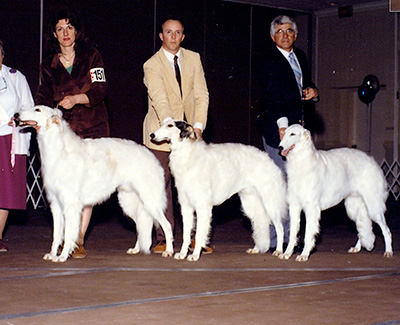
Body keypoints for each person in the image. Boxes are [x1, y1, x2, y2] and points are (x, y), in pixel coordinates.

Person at [35, 7, 109, 259]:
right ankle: (67, 238)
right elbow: (43, 98)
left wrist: (78, 98)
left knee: (86, 186)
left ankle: (77, 240)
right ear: (54, 35)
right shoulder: (48, 65)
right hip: (62, 137)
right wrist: (38, 118)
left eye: (69, 27)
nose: (65, 33)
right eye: (59, 29)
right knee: (64, 188)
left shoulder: (92, 56)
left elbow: (100, 89)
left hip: (92, 129)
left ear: (76, 31)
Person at [143, 17, 211, 254]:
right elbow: (159, 98)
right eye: (168, 32)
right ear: (161, 36)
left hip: (190, 136)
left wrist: (199, 126)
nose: (173, 37)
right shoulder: (151, 65)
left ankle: (196, 239)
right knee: (162, 186)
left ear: (183, 36)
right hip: (162, 133)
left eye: (178, 33)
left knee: (195, 186)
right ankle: (165, 237)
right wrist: (169, 129)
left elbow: (201, 94)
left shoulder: (194, 59)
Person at [257, 15, 319, 246]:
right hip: (279, 131)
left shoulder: (300, 56)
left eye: (289, 31)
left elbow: (304, 86)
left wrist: (314, 92)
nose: (285, 35)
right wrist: (283, 126)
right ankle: (275, 239)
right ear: (273, 36)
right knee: (279, 184)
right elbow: (272, 96)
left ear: (295, 34)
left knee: (299, 185)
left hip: (299, 132)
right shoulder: (268, 59)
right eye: (280, 31)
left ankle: (293, 237)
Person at [0, 40, 34, 251]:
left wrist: (19, 119)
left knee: (5, 190)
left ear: (2, 54)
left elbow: (28, 107)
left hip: (9, 140)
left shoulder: (15, 76)